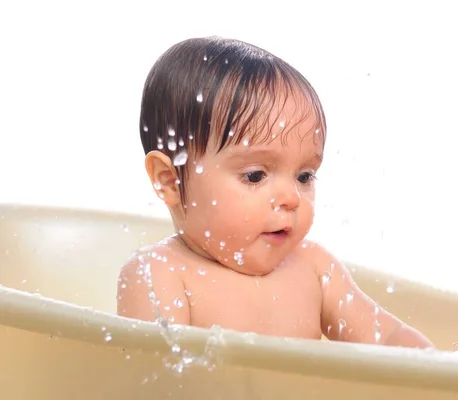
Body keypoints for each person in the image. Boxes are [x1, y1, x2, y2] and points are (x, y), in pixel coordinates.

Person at [117, 36, 433, 349]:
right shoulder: (160, 273)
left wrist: (442, 369)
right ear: (170, 181)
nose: (291, 198)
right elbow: (156, 383)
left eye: (304, 176)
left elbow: (387, 339)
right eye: (255, 176)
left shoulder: (313, 267)